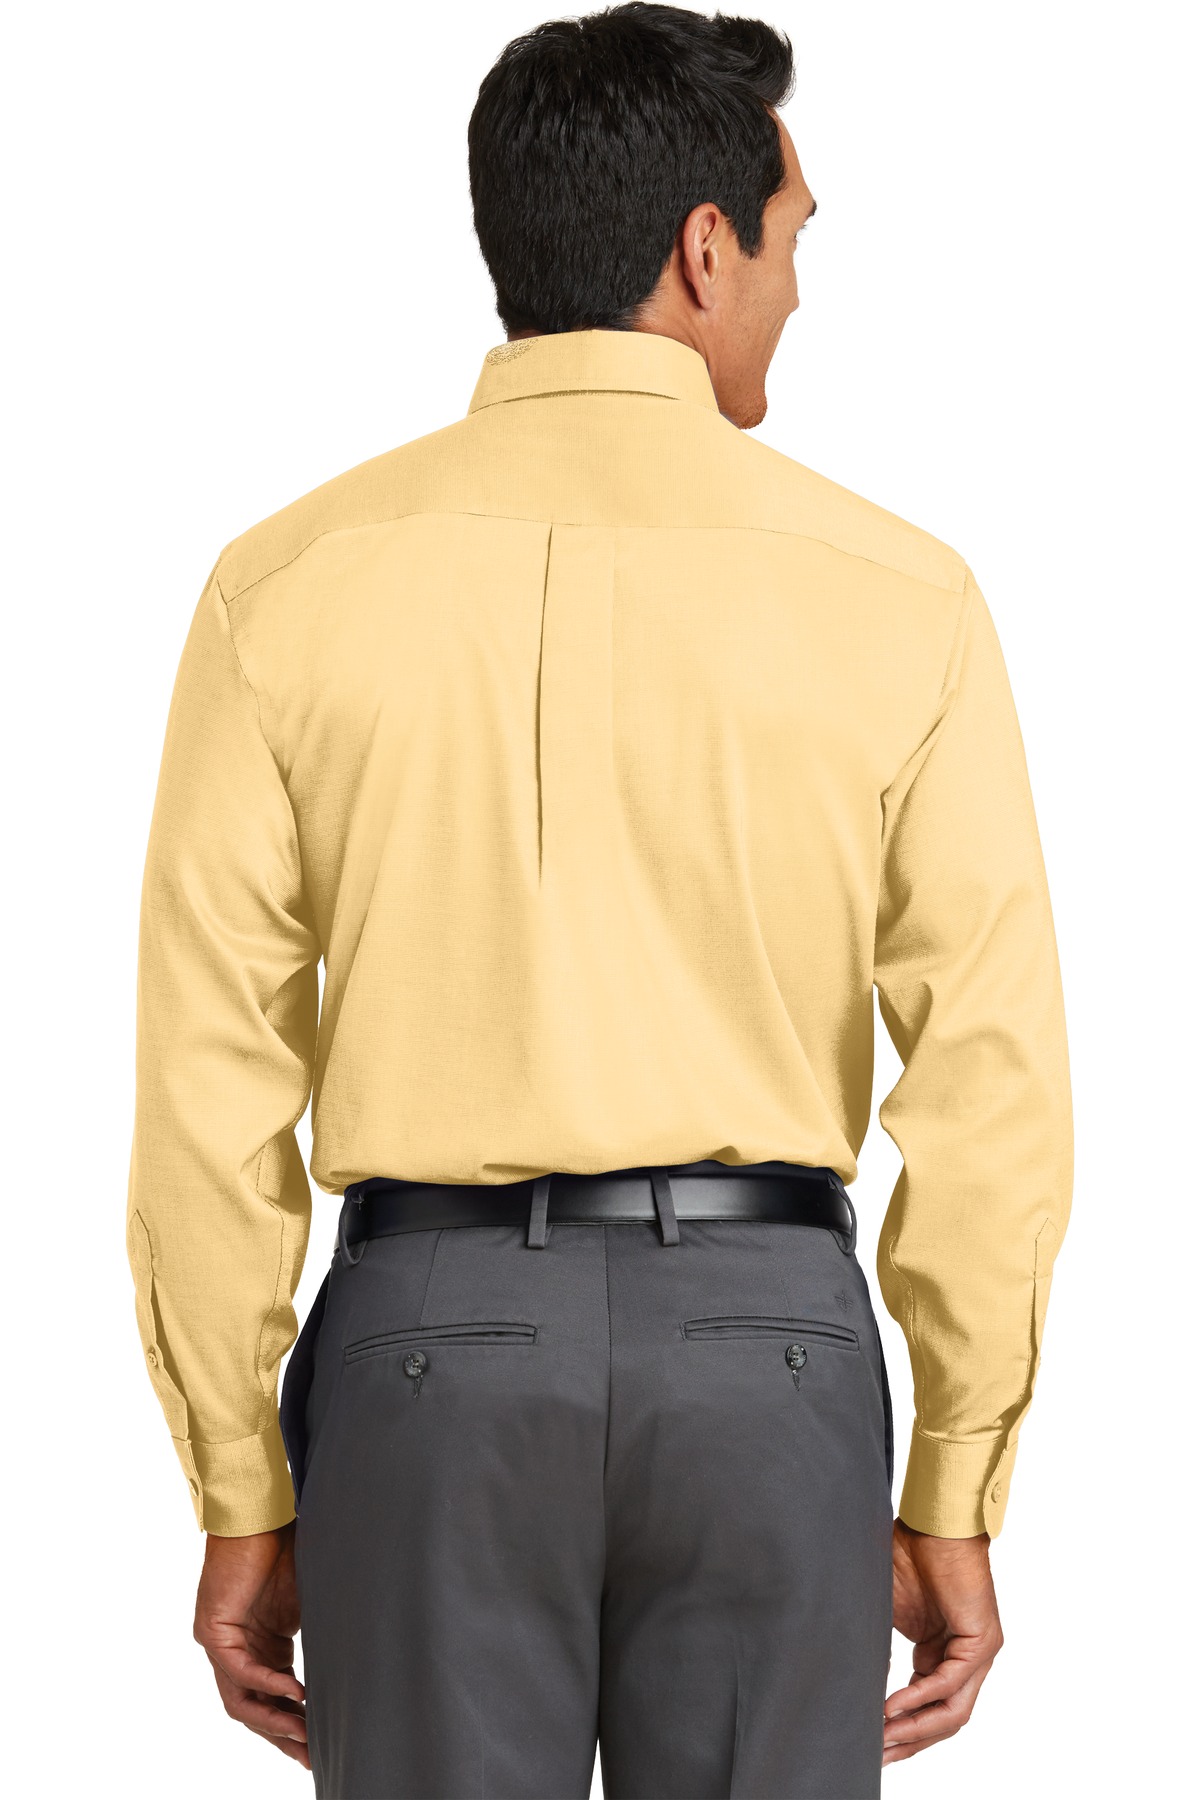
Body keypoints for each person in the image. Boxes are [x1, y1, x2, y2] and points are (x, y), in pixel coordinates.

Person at [126, 5, 1073, 1796]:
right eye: (790, 240)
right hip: (769, 1362)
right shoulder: (904, 595)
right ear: (704, 250)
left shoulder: (283, 586)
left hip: (427, 1366)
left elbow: (207, 1077)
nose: (797, 286)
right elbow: (994, 1076)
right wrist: (957, 1480)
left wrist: (239, 1490)